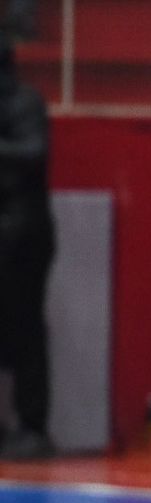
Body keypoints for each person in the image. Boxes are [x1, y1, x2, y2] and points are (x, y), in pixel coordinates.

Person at [0, 39, 55, 460]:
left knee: (24, 327)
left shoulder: (23, 101)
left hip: (21, 232)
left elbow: (34, 151)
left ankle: (33, 425)